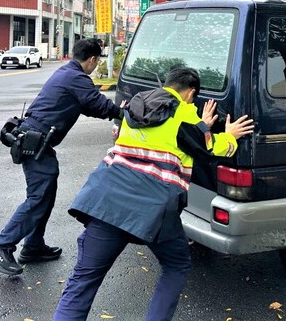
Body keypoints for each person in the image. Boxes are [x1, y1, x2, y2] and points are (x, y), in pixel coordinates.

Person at [53, 67, 254, 320]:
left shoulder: (136, 105)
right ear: (190, 93)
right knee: (176, 265)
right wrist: (230, 135)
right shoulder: (186, 116)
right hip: (153, 209)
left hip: (106, 201)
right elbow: (211, 148)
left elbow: (165, 135)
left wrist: (201, 126)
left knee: (82, 282)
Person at [0, 38, 125, 276]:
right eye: (97, 61)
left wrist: (115, 111)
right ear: (92, 59)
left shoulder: (67, 73)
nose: (95, 65)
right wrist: (124, 112)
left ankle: (34, 246)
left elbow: (89, 106)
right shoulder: (76, 78)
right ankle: (1, 246)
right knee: (39, 197)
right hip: (35, 142)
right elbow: (98, 104)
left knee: (45, 195)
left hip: (36, 140)